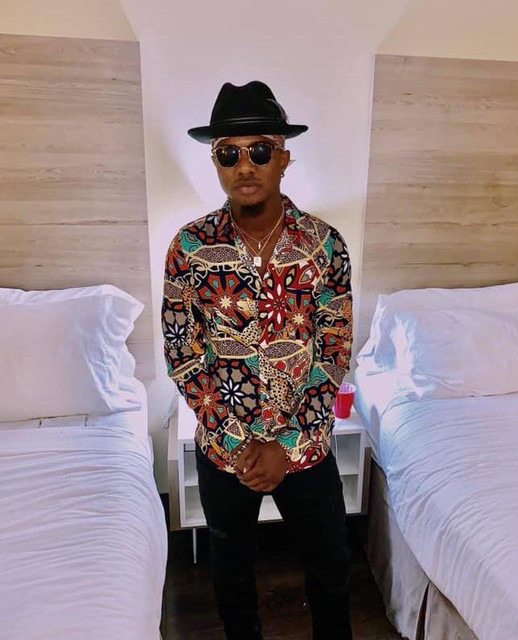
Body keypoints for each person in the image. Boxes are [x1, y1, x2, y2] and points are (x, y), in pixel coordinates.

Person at [161, 80, 354, 640]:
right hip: (228, 453)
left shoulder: (325, 246)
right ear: (216, 163)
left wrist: (284, 444)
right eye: (229, 153)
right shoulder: (190, 248)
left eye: (260, 150)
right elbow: (182, 352)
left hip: (306, 446)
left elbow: (334, 349)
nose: (245, 166)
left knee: (331, 573)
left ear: (284, 158)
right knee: (232, 582)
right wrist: (241, 441)